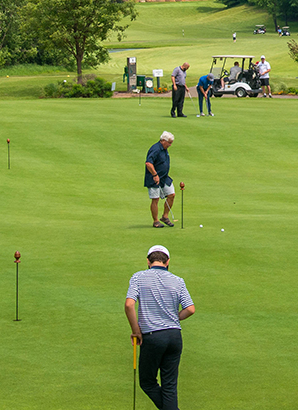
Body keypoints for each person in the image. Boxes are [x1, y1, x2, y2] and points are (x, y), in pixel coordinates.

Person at [126, 244, 195, 410]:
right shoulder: (178, 281)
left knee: (148, 382)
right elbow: (190, 309)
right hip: (174, 336)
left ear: (148, 261)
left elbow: (129, 305)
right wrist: (173, 318)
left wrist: (136, 331)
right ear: (168, 261)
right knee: (169, 387)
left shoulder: (138, 277)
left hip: (153, 336)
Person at [144, 131, 176, 227]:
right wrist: (155, 175)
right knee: (155, 199)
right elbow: (148, 163)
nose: (170, 145)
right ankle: (156, 221)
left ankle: (165, 216)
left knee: (171, 195)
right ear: (163, 140)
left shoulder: (164, 148)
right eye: (169, 143)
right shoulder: (155, 149)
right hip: (153, 178)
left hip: (164, 178)